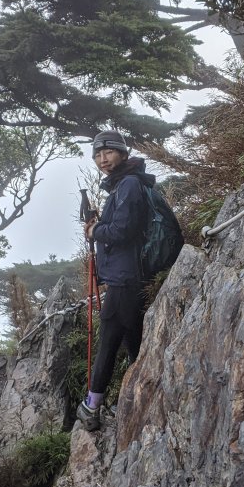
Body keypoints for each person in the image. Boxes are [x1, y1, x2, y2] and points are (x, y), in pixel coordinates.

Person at [76, 129, 153, 432]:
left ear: (122, 153)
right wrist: (100, 224)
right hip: (127, 277)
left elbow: (123, 232)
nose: (102, 159)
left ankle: (92, 406)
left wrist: (96, 232)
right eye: (97, 154)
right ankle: (140, 397)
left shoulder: (130, 185)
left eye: (108, 152)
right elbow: (119, 227)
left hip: (125, 279)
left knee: (108, 341)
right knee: (134, 342)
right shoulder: (123, 186)